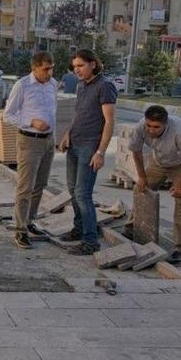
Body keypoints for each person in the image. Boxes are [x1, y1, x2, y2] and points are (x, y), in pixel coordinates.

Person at [59, 49, 117, 256]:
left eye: (81, 65)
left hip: (90, 148)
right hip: (74, 144)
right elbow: (79, 113)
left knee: (83, 194)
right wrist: (67, 133)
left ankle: (91, 241)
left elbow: (109, 121)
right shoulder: (82, 85)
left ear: (93, 64)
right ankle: (79, 229)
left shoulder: (105, 86)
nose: (77, 70)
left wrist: (100, 152)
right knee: (73, 190)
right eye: (74, 66)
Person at [128, 106, 181, 264]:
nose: (151, 130)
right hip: (159, 161)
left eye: (156, 127)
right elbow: (136, 151)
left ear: (165, 124)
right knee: (141, 189)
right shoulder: (141, 127)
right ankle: (131, 227)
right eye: (148, 125)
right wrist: (142, 177)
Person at [4, 51, 58, 249]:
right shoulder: (23, 85)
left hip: (48, 140)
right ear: (34, 68)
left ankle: (29, 221)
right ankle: (20, 230)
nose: (49, 73)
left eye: (52, 68)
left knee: (40, 184)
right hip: (29, 140)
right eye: (45, 69)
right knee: (25, 187)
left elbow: (53, 110)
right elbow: (8, 115)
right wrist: (31, 122)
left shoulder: (53, 84)